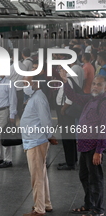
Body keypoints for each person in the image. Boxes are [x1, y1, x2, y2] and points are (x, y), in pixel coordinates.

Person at [60, 71, 106, 216]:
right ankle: (89, 204)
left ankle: (98, 210)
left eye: (99, 84)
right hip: (84, 146)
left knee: (95, 179)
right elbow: (73, 96)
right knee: (84, 176)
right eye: (94, 83)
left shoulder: (103, 103)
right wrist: (65, 82)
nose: (95, 87)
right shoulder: (90, 99)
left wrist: (99, 151)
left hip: (93, 148)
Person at [21, 77, 58, 216]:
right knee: (41, 174)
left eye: (26, 83)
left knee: (36, 177)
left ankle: (39, 209)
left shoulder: (38, 98)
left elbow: (45, 119)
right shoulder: (34, 96)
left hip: (36, 142)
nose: (25, 85)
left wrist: (50, 136)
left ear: (35, 83)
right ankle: (46, 204)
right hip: (33, 141)